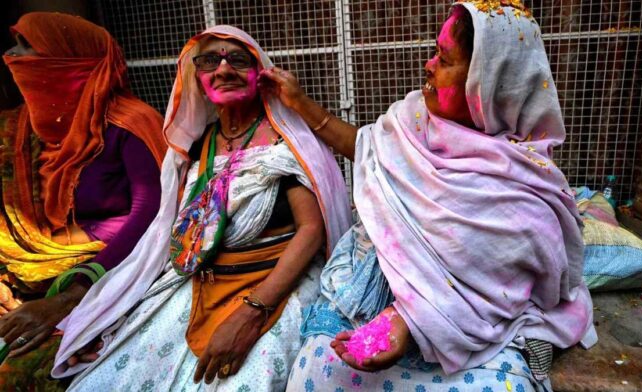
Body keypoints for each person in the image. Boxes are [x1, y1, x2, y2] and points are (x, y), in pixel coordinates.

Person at [262, 1, 597, 390]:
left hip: (468, 336)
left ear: (488, 82)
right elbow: (367, 147)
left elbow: (507, 282)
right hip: (374, 289)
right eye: (435, 52)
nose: (428, 65)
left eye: (445, 57)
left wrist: (411, 319)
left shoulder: (527, 185)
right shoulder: (413, 119)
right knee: (318, 373)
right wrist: (299, 103)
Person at [51, 25, 351, 391]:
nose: (223, 70)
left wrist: (252, 311)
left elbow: (311, 231)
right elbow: (170, 236)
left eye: (238, 60)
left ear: (262, 76)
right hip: (196, 283)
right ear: (197, 77)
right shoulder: (195, 148)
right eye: (210, 61)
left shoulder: (284, 143)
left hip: (272, 286)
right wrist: (113, 314)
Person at [0, 12, 166, 389]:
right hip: (31, 273)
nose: (13, 57)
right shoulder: (24, 129)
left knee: (17, 373)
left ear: (71, 61)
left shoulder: (131, 125)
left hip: (111, 274)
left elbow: (152, 216)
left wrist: (71, 296)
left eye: (28, 49)